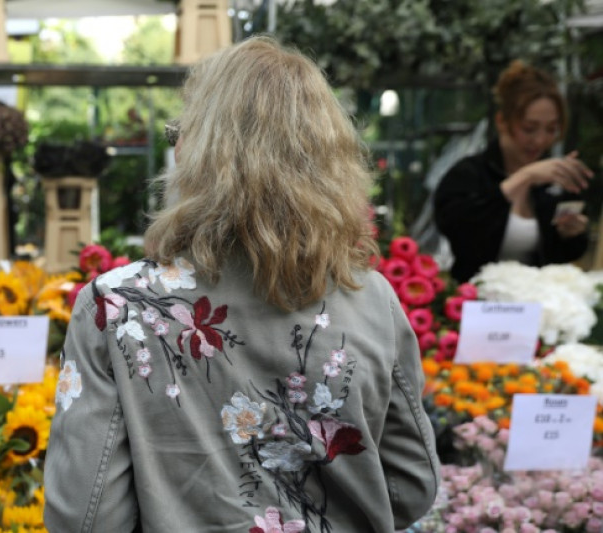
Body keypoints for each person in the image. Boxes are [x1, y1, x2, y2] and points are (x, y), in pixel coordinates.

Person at [43, 36, 439, 532]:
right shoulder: (369, 297)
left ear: (198, 152)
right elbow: (411, 488)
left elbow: (86, 516)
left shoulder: (115, 308)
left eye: (179, 132)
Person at [434, 60, 594, 283]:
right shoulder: (468, 175)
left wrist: (571, 234)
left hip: (538, 303)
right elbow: (460, 231)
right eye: (529, 129)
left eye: (551, 129)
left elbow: (561, 257)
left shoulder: (553, 182)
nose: (539, 140)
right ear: (502, 121)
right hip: (476, 304)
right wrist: (524, 177)